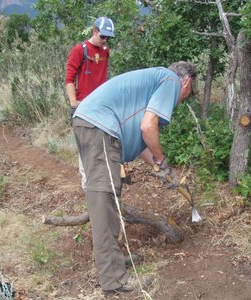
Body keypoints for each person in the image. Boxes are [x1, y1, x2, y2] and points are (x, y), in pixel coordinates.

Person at [72, 61, 197, 293]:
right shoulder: (170, 80)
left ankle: (114, 263)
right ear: (187, 81)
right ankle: (114, 281)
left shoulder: (152, 83)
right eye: (188, 94)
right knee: (104, 204)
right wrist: (160, 160)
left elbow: (140, 143)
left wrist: (162, 167)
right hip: (99, 127)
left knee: (110, 202)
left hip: (94, 125)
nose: (184, 99)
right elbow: (148, 128)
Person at [65, 16, 115, 190]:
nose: (104, 41)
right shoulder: (80, 50)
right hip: (84, 107)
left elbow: (102, 77)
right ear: (95, 31)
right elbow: (69, 79)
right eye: (102, 36)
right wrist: (74, 103)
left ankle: (102, 182)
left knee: (102, 144)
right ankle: (88, 187)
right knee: (85, 147)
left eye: (108, 38)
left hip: (101, 106)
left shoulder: (105, 51)